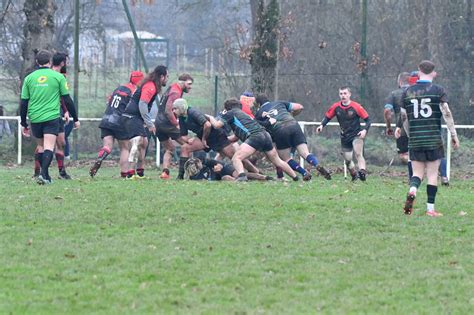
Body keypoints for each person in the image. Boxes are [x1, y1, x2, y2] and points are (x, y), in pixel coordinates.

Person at [396, 60, 460, 217]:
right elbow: (446, 112)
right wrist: (453, 134)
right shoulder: (438, 90)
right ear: (434, 73)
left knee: (417, 174)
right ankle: (430, 209)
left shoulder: (407, 92)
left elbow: (404, 117)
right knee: (432, 175)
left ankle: (412, 190)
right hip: (433, 139)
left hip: (416, 140)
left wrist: (409, 135)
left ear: (418, 71)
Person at [20, 50, 78, 185]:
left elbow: (23, 102)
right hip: (51, 116)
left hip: (35, 117)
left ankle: (43, 175)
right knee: (49, 147)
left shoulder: (29, 78)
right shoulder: (58, 77)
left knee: (41, 146)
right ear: (50, 61)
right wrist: (75, 117)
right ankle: (44, 175)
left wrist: (24, 122)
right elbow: (67, 100)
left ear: (36, 62)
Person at [208, 98, 299, 181]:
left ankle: (242, 177)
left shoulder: (230, 113)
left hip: (255, 136)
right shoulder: (243, 115)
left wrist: (210, 118)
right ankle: (295, 177)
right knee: (278, 161)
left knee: (236, 158)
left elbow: (216, 125)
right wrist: (224, 140)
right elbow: (235, 137)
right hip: (265, 135)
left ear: (227, 108)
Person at [172, 98, 259, 179]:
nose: (173, 111)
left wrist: (203, 139)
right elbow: (184, 136)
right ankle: (180, 176)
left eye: (175, 108)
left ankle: (256, 171)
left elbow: (208, 125)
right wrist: (188, 140)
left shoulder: (193, 112)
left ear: (182, 107)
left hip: (217, 136)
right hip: (203, 137)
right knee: (185, 148)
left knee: (236, 157)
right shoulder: (182, 117)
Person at [254, 93, 331, 181]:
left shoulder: (259, 113)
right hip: (294, 124)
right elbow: (299, 107)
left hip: (280, 130)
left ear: (258, 104)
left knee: (285, 159)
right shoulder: (279, 103)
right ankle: (317, 165)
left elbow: (257, 126)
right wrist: (293, 115)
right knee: (305, 153)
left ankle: (304, 173)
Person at [89, 70, 144, 178]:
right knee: (124, 148)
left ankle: (101, 156)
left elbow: (108, 101)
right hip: (120, 121)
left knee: (107, 146)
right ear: (140, 81)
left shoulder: (119, 88)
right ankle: (124, 173)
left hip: (107, 118)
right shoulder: (134, 92)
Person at [122, 65, 168, 179]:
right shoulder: (150, 86)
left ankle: (140, 172)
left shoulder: (152, 85)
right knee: (138, 142)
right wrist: (149, 123)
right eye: (167, 76)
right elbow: (142, 104)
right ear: (162, 77)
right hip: (131, 117)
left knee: (144, 142)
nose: (167, 79)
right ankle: (130, 173)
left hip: (136, 117)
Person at [316, 86, 371, 181]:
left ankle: (362, 172)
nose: (343, 96)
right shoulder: (336, 107)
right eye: (341, 93)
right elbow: (327, 117)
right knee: (348, 160)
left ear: (349, 94)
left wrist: (365, 130)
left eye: (345, 93)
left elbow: (368, 120)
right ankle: (354, 175)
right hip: (344, 136)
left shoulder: (356, 106)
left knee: (358, 154)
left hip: (356, 135)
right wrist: (321, 125)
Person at [155, 73, 194, 179]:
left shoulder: (173, 87)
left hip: (158, 123)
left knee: (170, 148)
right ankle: (190, 174)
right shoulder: (176, 92)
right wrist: (176, 124)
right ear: (182, 82)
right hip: (167, 124)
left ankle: (165, 173)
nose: (190, 87)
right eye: (189, 84)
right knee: (187, 146)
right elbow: (168, 110)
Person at [384, 72, 411, 172]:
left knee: (404, 154)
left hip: (402, 127)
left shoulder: (394, 94)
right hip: (419, 126)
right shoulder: (417, 92)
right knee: (420, 152)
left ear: (399, 82)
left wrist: (389, 127)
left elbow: (387, 111)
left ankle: (414, 173)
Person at [184, 157, 271, 181]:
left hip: (224, 168)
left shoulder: (203, 160)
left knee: (239, 175)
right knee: (226, 178)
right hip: (220, 177)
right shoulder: (193, 178)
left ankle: (264, 177)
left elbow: (215, 163)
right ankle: (238, 181)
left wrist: (218, 166)